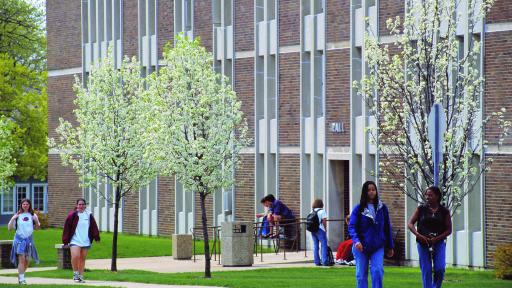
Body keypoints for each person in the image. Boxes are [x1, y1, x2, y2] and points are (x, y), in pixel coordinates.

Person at [348, 181, 394, 288]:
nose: (372, 192)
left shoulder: (382, 208)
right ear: (365, 192)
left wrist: (390, 246)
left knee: (377, 271)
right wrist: (356, 241)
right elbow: (352, 227)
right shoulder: (358, 209)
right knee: (361, 275)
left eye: (373, 189)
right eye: (369, 190)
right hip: (361, 247)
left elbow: (387, 227)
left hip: (377, 246)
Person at [408, 186, 452, 288]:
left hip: (439, 242)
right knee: (426, 269)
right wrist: (418, 235)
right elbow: (410, 224)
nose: (427, 197)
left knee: (440, 268)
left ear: (437, 196)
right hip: (423, 242)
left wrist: (437, 239)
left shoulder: (444, 211)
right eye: (426, 195)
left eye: (430, 195)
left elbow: (449, 230)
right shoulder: (421, 209)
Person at [62, 198, 100, 283]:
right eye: (79, 204)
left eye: (83, 204)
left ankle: (81, 275)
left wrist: (96, 237)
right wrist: (65, 240)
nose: (81, 206)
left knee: (82, 258)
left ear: (85, 205)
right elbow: (66, 228)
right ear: (76, 205)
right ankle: (75, 274)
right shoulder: (72, 215)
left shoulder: (89, 215)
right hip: (75, 240)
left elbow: (94, 226)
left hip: (85, 240)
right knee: (75, 256)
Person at [8, 198, 40, 285]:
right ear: (21, 205)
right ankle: (22, 280)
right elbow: (9, 228)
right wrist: (12, 219)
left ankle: (21, 276)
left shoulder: (33, 215)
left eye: (27, 204)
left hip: (29, 240)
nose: (25, 206)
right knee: (21, 259)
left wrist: (36, 220)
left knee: (27, 261)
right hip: (19, 240)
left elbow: (37, 228)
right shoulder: (17, 215)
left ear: (29, 205)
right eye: (24, 204)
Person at [309, 199, 328, 266]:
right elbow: (324, 221)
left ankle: (317, 262)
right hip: (320, 229)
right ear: (321, 204)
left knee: (315, 245)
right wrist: (325, 229)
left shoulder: (312, 211)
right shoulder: (322, 211)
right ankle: (324, 261)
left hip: (313, 230)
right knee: (324, 245)